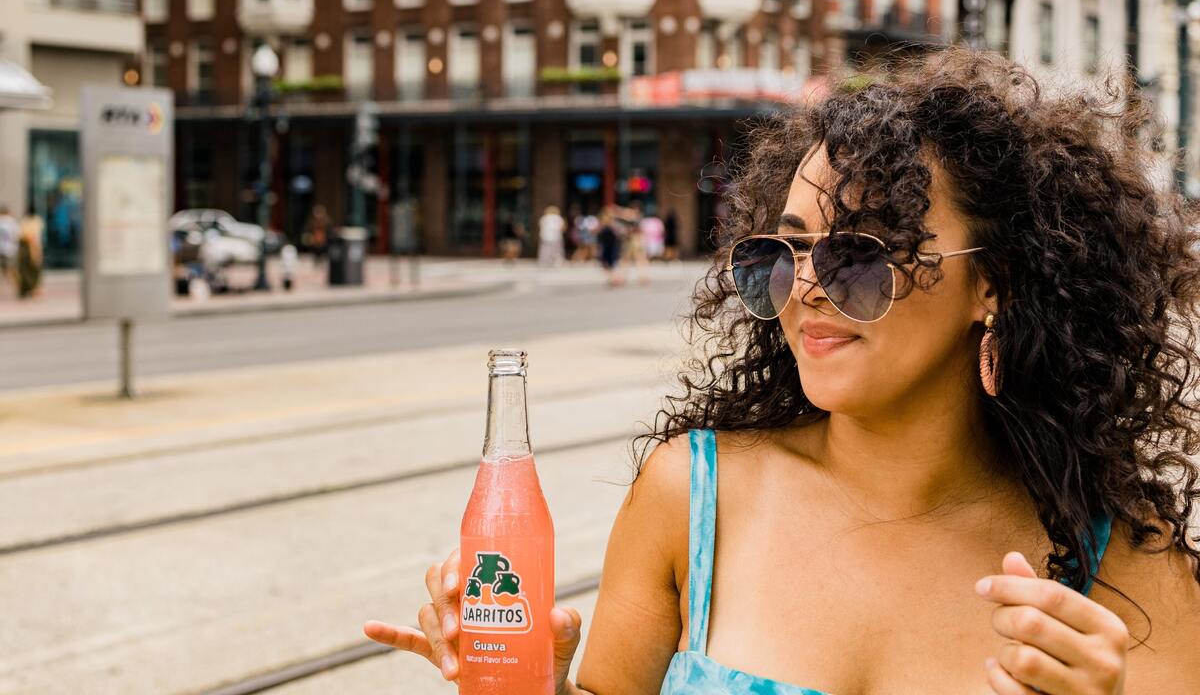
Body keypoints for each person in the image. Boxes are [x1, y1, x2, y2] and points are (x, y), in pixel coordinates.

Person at [367, 52, 1200, 693]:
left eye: (861, 252)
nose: (807, 286)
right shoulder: (690, 497)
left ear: (996, 283)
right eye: (786, 248)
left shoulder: (1125, 571)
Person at [16, 206, 45, 299]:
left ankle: (32, 288)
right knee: (28, 268)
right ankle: (28, 289)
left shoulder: (31, 221)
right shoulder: (34, 221)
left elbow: (34, 236)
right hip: (27, 245)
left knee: (32, 268)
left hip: (30, 245)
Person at [595, 207, 623, 286]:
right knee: (606, 265)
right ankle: (613, 278)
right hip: (605, 247)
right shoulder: (602, 226)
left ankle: (615, 278)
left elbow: (619, 235)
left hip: (612, 247)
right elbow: (598, 236)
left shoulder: (613, 225)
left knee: (612, 264)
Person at [0, 204, 17, 293]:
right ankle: (17, 288)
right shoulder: (11, 221)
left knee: (4, 270)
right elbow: (15, 235)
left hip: (1, 248)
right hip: (10, 249)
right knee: (12, 270)